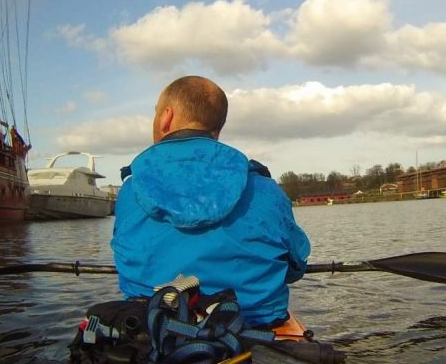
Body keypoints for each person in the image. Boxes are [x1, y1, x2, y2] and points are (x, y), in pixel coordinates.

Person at [110, 76, 311, 327]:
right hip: (254, 326)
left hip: (156, 328)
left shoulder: (130, 192)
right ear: (218, 126)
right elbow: (295, 266)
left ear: (166, 118)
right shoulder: (266, 190)